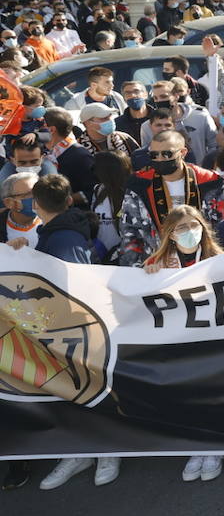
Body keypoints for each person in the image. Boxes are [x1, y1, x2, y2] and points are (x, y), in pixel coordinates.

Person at [30, 176, 114, 492]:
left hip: (76, 329)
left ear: (36, 205)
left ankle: (107, 452)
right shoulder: (56, 233)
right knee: (71, 390)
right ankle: (81, 452)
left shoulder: (63, 238)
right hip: (62, 329)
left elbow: (75, 286)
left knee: (90, 388)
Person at [141, 204, 224, 482]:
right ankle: (196, 445)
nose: (190, 232)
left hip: (214, 339)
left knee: (213, 392)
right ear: (171, 235)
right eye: (182, 228)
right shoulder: (158, 263)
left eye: (194, 225)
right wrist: (147, 277)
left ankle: (215, 446)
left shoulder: (219, 258)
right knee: (189, 393)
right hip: (179, 342)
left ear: (203, 227)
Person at [115, 130, 224, 266]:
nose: (160, 159)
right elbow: (129, 230)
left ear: (183, 152)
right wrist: (137, 267)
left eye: (166, 154)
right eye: (154, 155)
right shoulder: (139, 184)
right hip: (156, 265)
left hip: (204, 263)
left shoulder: (210, 182)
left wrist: (222, 262)